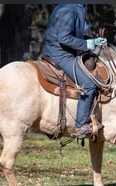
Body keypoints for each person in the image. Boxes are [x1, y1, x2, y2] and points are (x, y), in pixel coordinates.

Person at [43, 4, 107, 139]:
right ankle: (81, 125)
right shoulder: (68, 10)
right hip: (60, 55)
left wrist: (93, 41)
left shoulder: (75, 7)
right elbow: (64, 38)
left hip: (62, 53)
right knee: (89, 84)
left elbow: (74, 35)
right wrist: (89, 44)